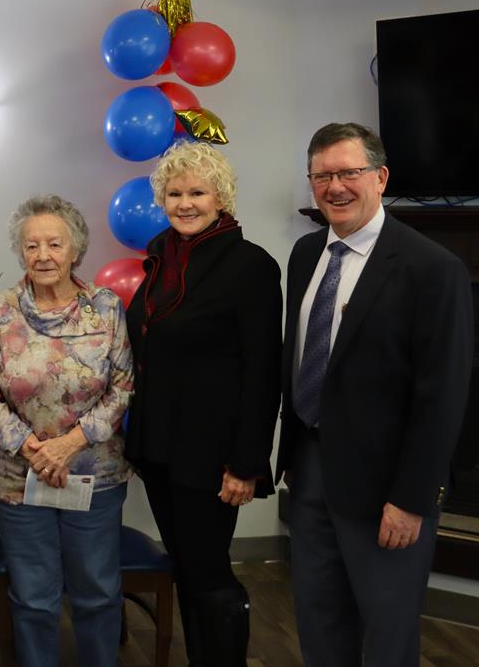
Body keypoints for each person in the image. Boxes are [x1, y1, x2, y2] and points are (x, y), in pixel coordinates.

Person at [277, 123, 473, 667]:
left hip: (389, 491)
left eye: (348, 172)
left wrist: (412, 498)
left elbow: (443, 398)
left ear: (380, 177)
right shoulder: (304, 253)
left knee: (386, 638)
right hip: (311, 473)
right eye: (322, 176)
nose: (335, 186)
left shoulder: (432, 269)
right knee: (318, 624)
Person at [124, 142, 282, 665]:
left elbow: (263, 375)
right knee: (188, 570)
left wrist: (246, 465)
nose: (185, 202)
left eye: (197, 192)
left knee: (210, 576)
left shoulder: (250, 266)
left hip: (213, 460)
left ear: (222, 198)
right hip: (161, 452)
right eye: (174, 193)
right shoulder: (160, 257)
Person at [0, 194, 133, 667]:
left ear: (75, 249)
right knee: (34, 598)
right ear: (21, 252)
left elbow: (122, 387)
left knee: (99, 594)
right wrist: (34, 450)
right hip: (19, 481)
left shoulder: (104, 308)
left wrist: (68, 445)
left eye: (54, 244)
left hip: (94, 478)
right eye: (32, 245)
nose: (43, 255)